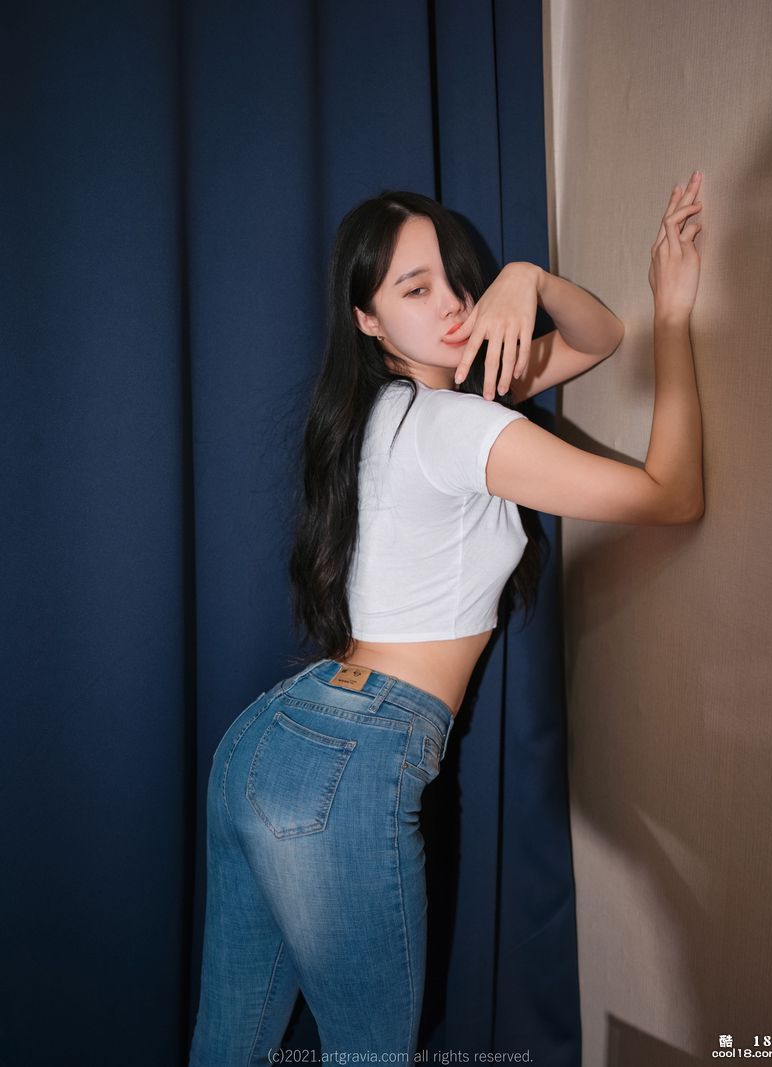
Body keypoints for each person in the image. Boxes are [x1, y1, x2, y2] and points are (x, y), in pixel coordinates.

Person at [188, 174, 704, 1063]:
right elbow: (673, 494)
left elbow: (599, 337)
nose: (454, 302)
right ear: (368, 319)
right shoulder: (455, 428)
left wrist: (527, 281)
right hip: (352, 758)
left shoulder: (386, 414)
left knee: (229, 1049)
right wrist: (680, 319)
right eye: (413, 288)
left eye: (454, 279)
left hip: (265, 742)